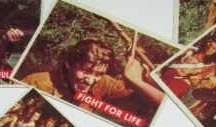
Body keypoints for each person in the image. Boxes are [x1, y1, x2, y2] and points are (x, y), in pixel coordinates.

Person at [20, 39, 163, 116]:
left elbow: (161, 105)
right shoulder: (36, 82)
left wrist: (144, 82)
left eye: (99, 74)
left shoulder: (103, 83)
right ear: (69, 63)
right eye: (86, 71)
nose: (90, 80)